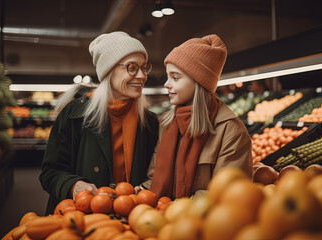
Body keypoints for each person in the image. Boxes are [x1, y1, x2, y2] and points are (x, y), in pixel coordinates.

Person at [39, 32, 159, 215]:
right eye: (132, 68)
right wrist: (73, 185)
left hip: (131, 219)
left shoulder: (148, 121)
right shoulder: (75, 115)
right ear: (109, 70)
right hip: (80, 217)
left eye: (144, 68)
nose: (142, 75)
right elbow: (50, 173)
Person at [141, 34, 252, 199]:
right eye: (167, 76)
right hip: (162, 217)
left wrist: (174, 208)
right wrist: (141, 192)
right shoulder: (167, 124)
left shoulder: (232, 133)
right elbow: (154, 178)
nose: (166, 84)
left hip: (202, 221)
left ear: (199, 82)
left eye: (175, 77)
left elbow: (225, 197)